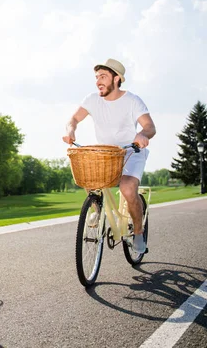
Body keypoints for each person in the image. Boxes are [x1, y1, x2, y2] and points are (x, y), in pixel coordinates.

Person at [62, 58, 156, 254]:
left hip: (131, 150)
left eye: (103, 76)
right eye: (96, 77)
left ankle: (138, 232)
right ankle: (97, 210)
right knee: (88, 174)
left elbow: (149, 127)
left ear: (116, 79)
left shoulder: (132, 100)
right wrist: (70, 130)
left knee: (128, 188)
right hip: (105, 152)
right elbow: (74, 119)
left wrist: (142, 135)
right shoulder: (92, 99)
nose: (98, 81)